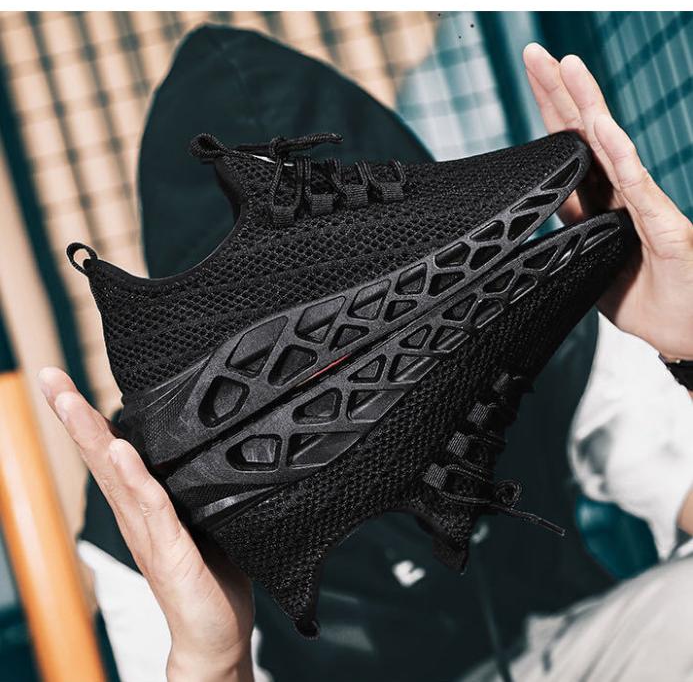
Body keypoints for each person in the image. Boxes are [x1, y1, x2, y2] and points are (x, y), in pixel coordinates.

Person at [38, 44, 693, 682]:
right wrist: (212, 660)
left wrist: (684, 342)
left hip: (563, 648)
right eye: (284, 338)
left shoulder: (550, 332)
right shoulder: (143, 509)